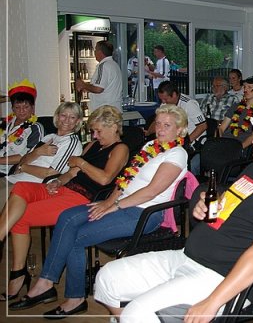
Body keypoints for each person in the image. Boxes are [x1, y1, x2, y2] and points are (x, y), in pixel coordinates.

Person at [92, 111, 253, 322]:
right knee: (107, 278)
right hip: (186, 256)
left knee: (136, 312)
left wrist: (213, 301)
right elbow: (232, 204)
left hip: (219, 276)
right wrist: (206, 204)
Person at [10, 105, 189, 317]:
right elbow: (126, 179)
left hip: (144, 213)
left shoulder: (177, 154)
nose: (159, 129)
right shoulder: (152, 145)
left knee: (75, 237)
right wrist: (108, 202)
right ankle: (48, 285)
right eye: (158, 123)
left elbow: (151, 192)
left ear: (180, 130)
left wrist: (114, 206)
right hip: (123, 203)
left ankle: (67, 294)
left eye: (167, 125)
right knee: (67, 218)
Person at [0, 106, 128, 302]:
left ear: (113, 127)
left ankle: (18, 275)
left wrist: (81, 163)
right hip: (65, 189)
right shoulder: (93, 145)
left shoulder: (120, 149)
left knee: (20, 216)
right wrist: (58, 181)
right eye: (93, 131)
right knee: (21, 187)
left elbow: (105, 179)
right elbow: (72, 172)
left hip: (82, 197)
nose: (94, 135)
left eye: (98, 131)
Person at [4, 102, 83, 187]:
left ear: (77, 121)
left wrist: (23, 167)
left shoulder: (71, 142)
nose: (67, 120)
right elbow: (23, 160)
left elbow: (50, 173)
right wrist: (37, 152)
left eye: (72, 117)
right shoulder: (48, 137)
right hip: (12, 179)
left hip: (29, 185)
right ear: (57, 117)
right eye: (63, 115)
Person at [0, 79, 44, 176]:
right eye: (17, 107)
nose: (21, 111)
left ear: (32, 107)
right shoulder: (5, 123)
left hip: (8, 172)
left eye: (26, 107)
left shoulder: (35, 128)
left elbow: (27, 156)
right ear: (12, 108)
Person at [146, 81, 207, 146]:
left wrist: (186, 142)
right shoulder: (165, 104)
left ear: (174, 94)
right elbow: (157, 122)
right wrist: (148, 133)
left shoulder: (189, 104)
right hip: (174, 140)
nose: (163, 102)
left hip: (193, 142)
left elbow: (203, 126)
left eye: (165, 99)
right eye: (161, 99)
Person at [218, 76, 253, 149]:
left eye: (249, 87)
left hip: (240, 147)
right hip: (224, 143)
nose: (245, 90)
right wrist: (219, 142)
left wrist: (238, 149)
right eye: (244, 87)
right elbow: (222, 128)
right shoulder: (235, 106)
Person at [75, 40, 123, 112]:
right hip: (114, 109)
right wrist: (88, 88)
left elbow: (98, 89)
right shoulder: (114, 65)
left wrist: (83, 84)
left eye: (95, 49)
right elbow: (106, 87)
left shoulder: (103, 66)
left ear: (100, 52)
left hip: (104, 111)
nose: (94, 52)